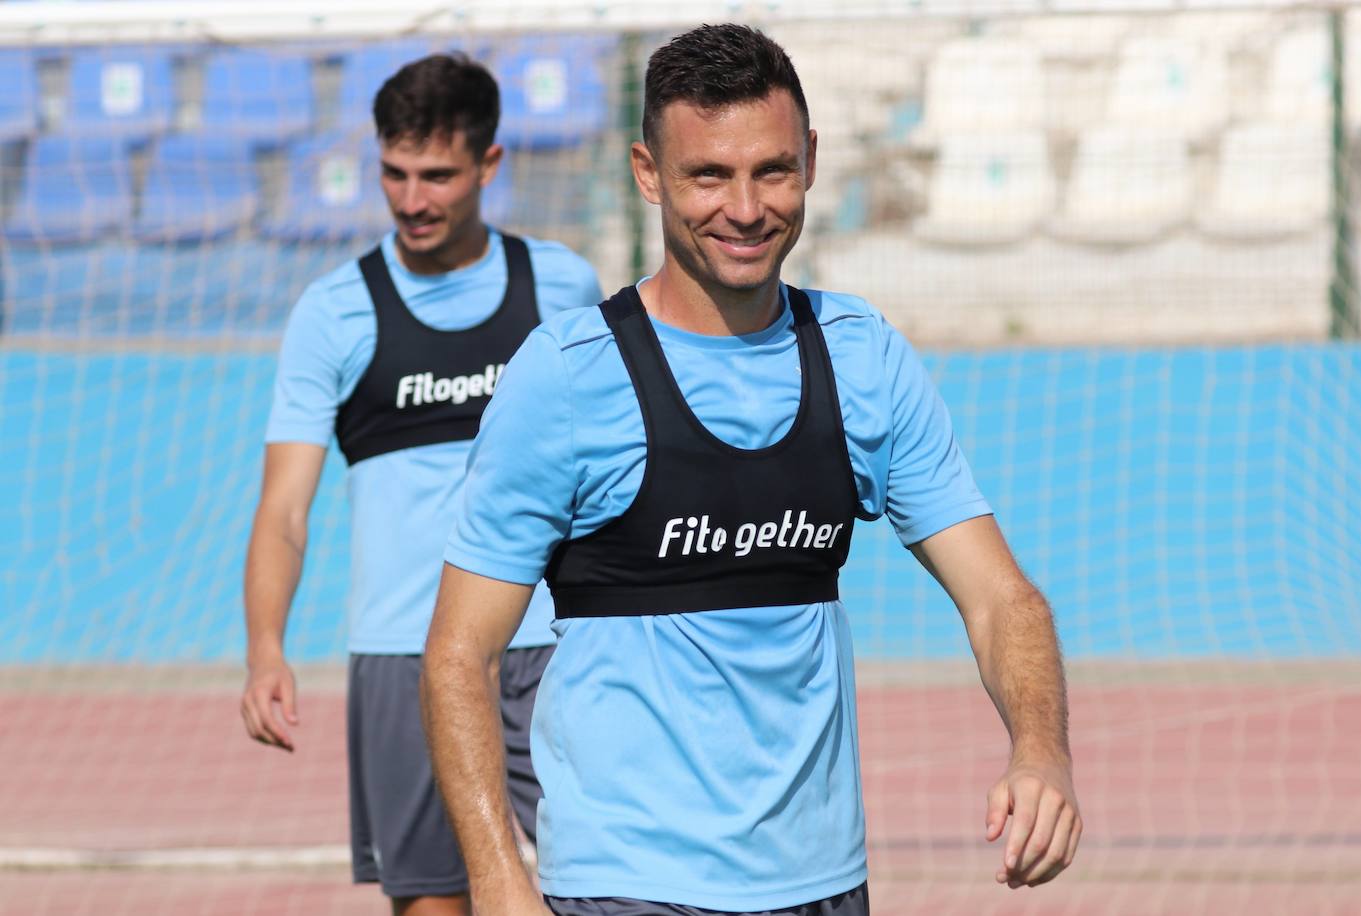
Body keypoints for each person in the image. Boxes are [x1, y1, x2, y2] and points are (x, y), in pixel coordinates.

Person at [421, 24, 1081, 916]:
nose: (745, 207)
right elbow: (461, 653)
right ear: (648, 173)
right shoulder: (569, 375)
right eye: (708, 175)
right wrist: (500, 880)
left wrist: (1040, 749)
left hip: (824, 888)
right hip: (627, 889)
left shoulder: (864, 360)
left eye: (771, 170)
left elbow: (1003, 600)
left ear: (809, 160)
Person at [239, 52, 603, 916]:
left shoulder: (561, 288)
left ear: (490, 164)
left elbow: (612, 469)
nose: (412, 200)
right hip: (400, 656)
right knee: (434, 905)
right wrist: (265, 648)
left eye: (436, 175)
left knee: (599, 890)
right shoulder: (334, 311)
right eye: (394, 174)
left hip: (548, 647)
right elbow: (284, 511)